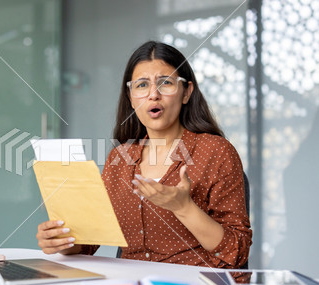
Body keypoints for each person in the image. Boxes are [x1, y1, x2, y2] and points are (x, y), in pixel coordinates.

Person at [36, 41, 252, 269]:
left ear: (186, 92)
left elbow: (237, 251)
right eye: (141, 85)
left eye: (166, 83)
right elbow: (89, 242)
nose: (153, 95)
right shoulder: (120, 158)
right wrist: (62, 241)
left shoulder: (216, 152)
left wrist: (184, 208)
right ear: (130, 97)